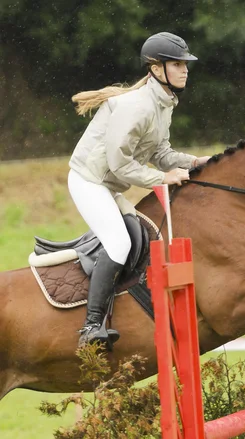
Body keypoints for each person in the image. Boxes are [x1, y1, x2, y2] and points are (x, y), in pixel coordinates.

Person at [68, 32, 210, 348]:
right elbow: (121, 166)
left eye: (185, 64)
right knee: (119, 244)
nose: (185, 69)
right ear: (156, 68)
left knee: (140, 235)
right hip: (89, 183)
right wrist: (162, 179)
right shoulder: (138, 107)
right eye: (177, 64)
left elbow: (161, 153)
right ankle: (90, 327)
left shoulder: (161, 103)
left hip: (106, 186)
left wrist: (198, 161)